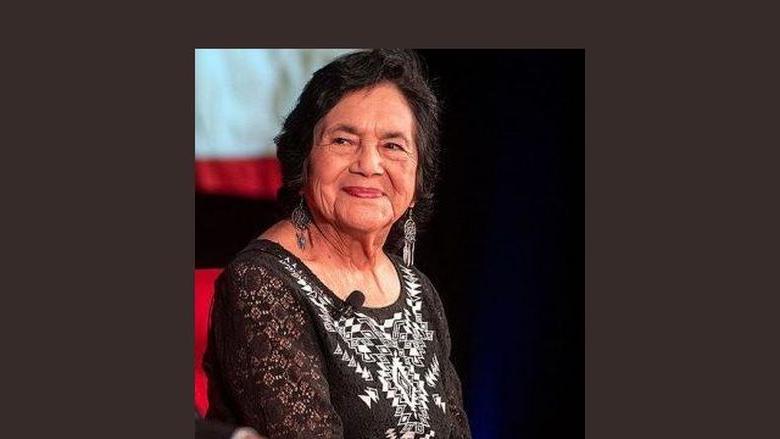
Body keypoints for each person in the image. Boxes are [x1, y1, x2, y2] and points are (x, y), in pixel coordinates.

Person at [203, 49, 472, 439]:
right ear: (304, 162)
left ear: (418, 178)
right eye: (343, 140)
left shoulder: (418, 291)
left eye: (393, 146)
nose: (369, 164)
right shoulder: (261, 285)